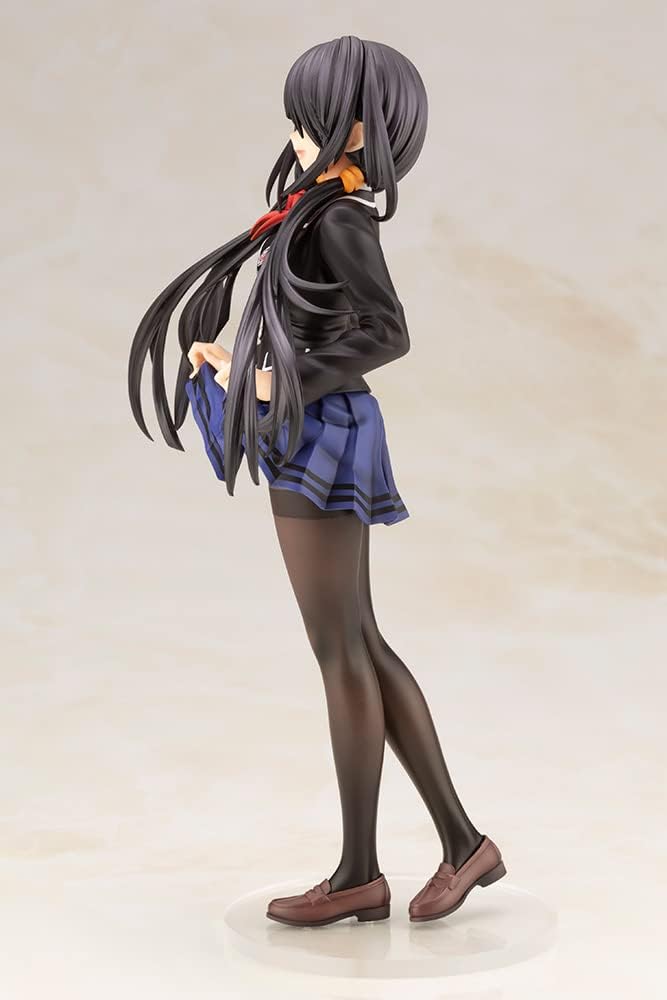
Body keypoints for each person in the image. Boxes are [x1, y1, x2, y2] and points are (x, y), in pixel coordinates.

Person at [128, 34, 506, 928]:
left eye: (313, 116)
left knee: (341, 649)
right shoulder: (312, 207)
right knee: (358, 640)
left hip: (323, 434)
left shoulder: (338, 216)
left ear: (358, 127)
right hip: (313, 427)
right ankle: (457, 846)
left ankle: (360, 874)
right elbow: (317, 324)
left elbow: (386, 331)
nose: (296, 131)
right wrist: (242, 367)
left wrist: (282, 379)